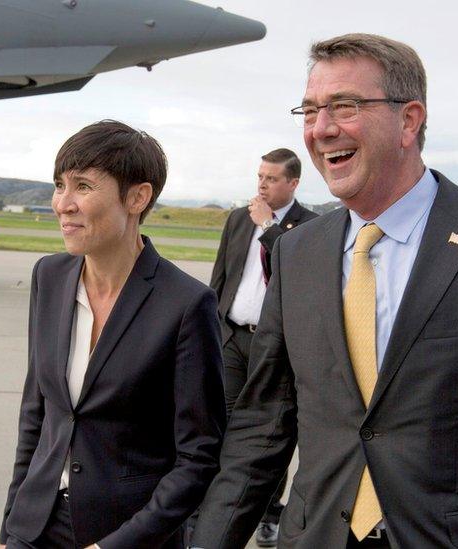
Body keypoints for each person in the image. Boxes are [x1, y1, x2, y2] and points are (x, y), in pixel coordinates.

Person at [192, 33, 458, 548]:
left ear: (409, 120)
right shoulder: (296, 253)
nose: (321, 129)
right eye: (309, 111)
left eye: (343, 107)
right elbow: (263, 426)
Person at [0, 120, 225, 549]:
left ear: (137, 197)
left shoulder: (187, 304)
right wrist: (10, 526)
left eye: (82, 186)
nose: (63, 204)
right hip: (36, 526)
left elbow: (199, 457)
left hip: (126, 534)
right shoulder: (49, 276)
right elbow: (37, 414)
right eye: (59, 185)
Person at [207, 148, 317, 547]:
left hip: (274, 347)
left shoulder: (308, 227)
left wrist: (271, 226)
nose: (262, 185)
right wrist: (210, 330)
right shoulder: (238, 219)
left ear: (293, 183)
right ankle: (215, 508)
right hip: (233, 338)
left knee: (270, 432)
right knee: (224, 426)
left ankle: (269, 512)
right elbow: (220, 277)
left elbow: (299, 273)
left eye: (272, 179)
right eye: (260, 177)